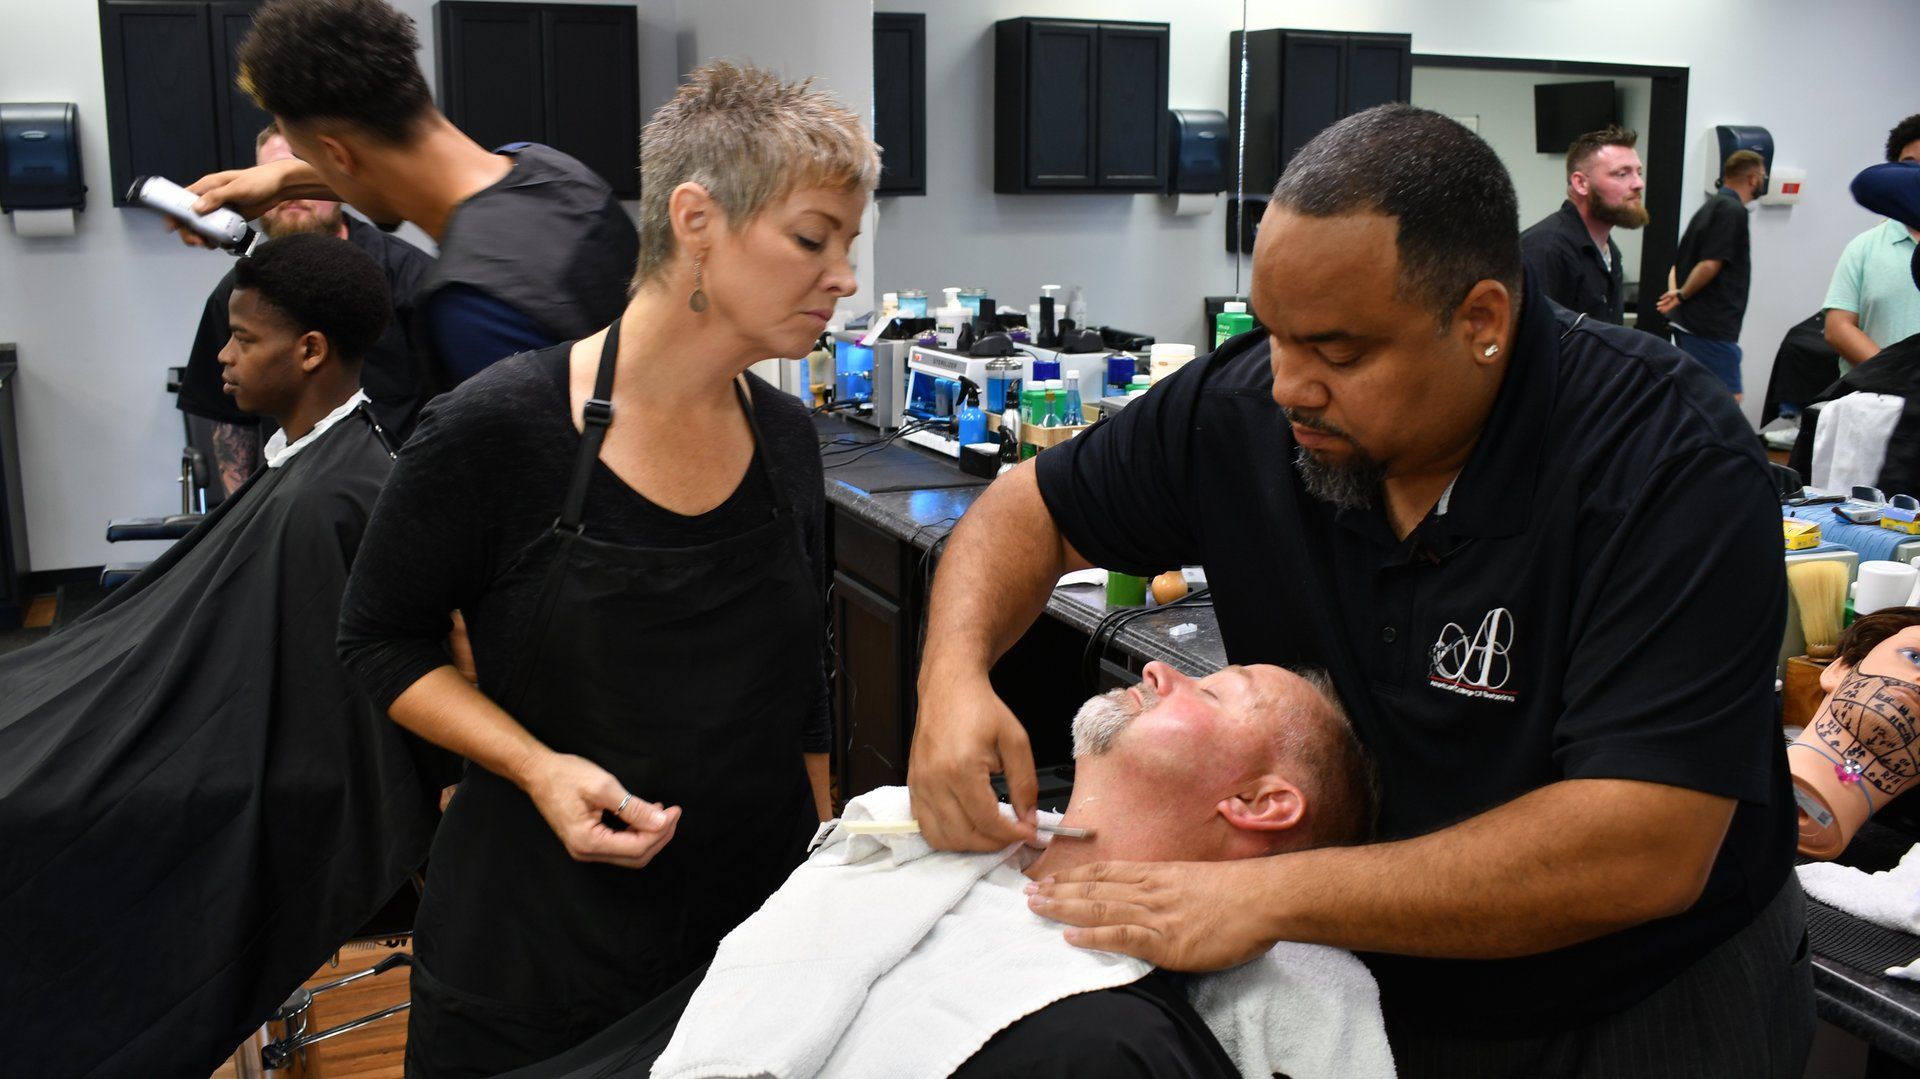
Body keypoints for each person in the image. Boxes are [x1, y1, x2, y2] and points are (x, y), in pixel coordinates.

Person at [908, 104, 1809, 1078]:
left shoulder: (1666, 462)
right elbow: (1027, 508)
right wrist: (952, 675)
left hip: (1638, 1001)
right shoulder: (1250, 405)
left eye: (1337, 352)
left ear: (1480, 323)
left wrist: (1268, 895)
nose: (1288, 384)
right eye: (1273, 334)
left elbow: (1642, 843)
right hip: (1384, 982)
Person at [336, 62, 874, 1077]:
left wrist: (823, 877)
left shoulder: (792, 443)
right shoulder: (499, 430)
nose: (843, 276)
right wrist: (539, 766)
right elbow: (377, 640)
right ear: (697, 219)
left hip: (741, 954)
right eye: (813, 238)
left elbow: (801, 693)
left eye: (850, 244)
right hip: (537, 964)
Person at [495, 662, 1389, 1079]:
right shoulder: (912, 852)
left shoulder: (1113, 1047)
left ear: (1264, 804)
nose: (1160, 665)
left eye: (1213, 689)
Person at [0, 234, 439, 1079]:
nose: (221, 356)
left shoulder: (338, 497)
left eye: (242, 338)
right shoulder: (314, 465)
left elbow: (324, 718)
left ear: (309, 351)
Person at [173, 0, 637, 407]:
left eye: (313, 157)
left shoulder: (470, 308)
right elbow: (385, 172)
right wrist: (284, 181)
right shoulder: (554, 170)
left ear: (338, 156)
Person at [177, 122, 434, 491]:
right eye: (273, 179)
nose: (289, 194)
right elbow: (230, 422)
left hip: (398, 494)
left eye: (297, 177)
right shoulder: (236, 293)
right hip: (291, 492)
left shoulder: (412, 279)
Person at [1658, 149, 1767, 399]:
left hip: (1692, 323)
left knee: (1696, 396)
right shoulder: (1732, 211)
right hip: (1709, 326)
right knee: (1726, 399)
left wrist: (1678, 296)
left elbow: (1676, 266)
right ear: (1752, 178)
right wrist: (1683, 295)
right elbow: (1710, 264)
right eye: (1762, 176)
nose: (1763, 181)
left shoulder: (1709, 208)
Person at [1821, 114, 1920, 371]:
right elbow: (1838, 326)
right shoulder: (1865, 246)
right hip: (1874, 400)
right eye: (1909, 165)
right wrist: (1894, 378)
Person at [1519, 125, 1646, 324]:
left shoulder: (1609, 252)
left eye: (1639, 173)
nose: (1638, 184)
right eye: (1622, 174)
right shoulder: (1546, 250)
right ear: (1581, 183)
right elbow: (1536, 341)